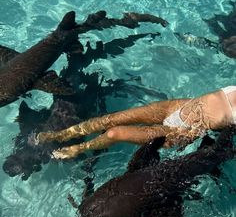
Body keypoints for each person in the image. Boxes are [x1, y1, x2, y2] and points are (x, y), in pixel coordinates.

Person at [33, 86, 236, 159]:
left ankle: (80, 148)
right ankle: (61, 135)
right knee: (109, 119)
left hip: (182, 130)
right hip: (177, 107)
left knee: (115, 133)